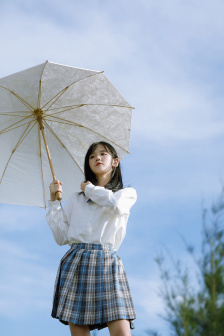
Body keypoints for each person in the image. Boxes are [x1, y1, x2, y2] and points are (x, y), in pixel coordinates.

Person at [46, 141, 137, 336]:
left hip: (106, 260)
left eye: (103, 154)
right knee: (79, 332)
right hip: (76, 261)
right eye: (92, 156)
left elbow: (115, 205)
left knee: (121, 330)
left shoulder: (126, 194)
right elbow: (62, 237)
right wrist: (54, 203)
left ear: (115, 162)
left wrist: (90, 190)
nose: (97, 158)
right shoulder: (76, 199)